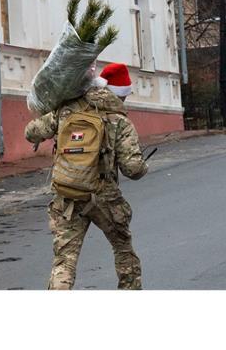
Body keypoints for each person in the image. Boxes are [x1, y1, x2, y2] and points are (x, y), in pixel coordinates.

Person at [25, 61, 149, 290]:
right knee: (123, 248)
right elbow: (132, 169)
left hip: (68, 194)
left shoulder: (67, 109)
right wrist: (144, 167)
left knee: (65, 259)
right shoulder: (120, 120)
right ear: (120, 94)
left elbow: (31, 131)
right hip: (105, 197)